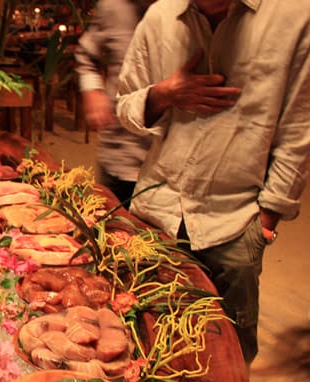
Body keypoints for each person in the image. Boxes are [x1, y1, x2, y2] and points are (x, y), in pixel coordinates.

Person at [116, 0, 310, 362]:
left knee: (226, 360)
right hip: (155, 215)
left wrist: (267, 220)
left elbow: (299, 130)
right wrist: (163, 94)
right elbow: (125, 105)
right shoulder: (161, 16)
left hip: (233, 222)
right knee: (141, 345)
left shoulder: (294, 16)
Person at [74, 0, 155, 205]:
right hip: (119, 154)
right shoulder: (113, 6)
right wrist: (93, 90)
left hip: (166, 165)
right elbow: (86, 55)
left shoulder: (188, 10)